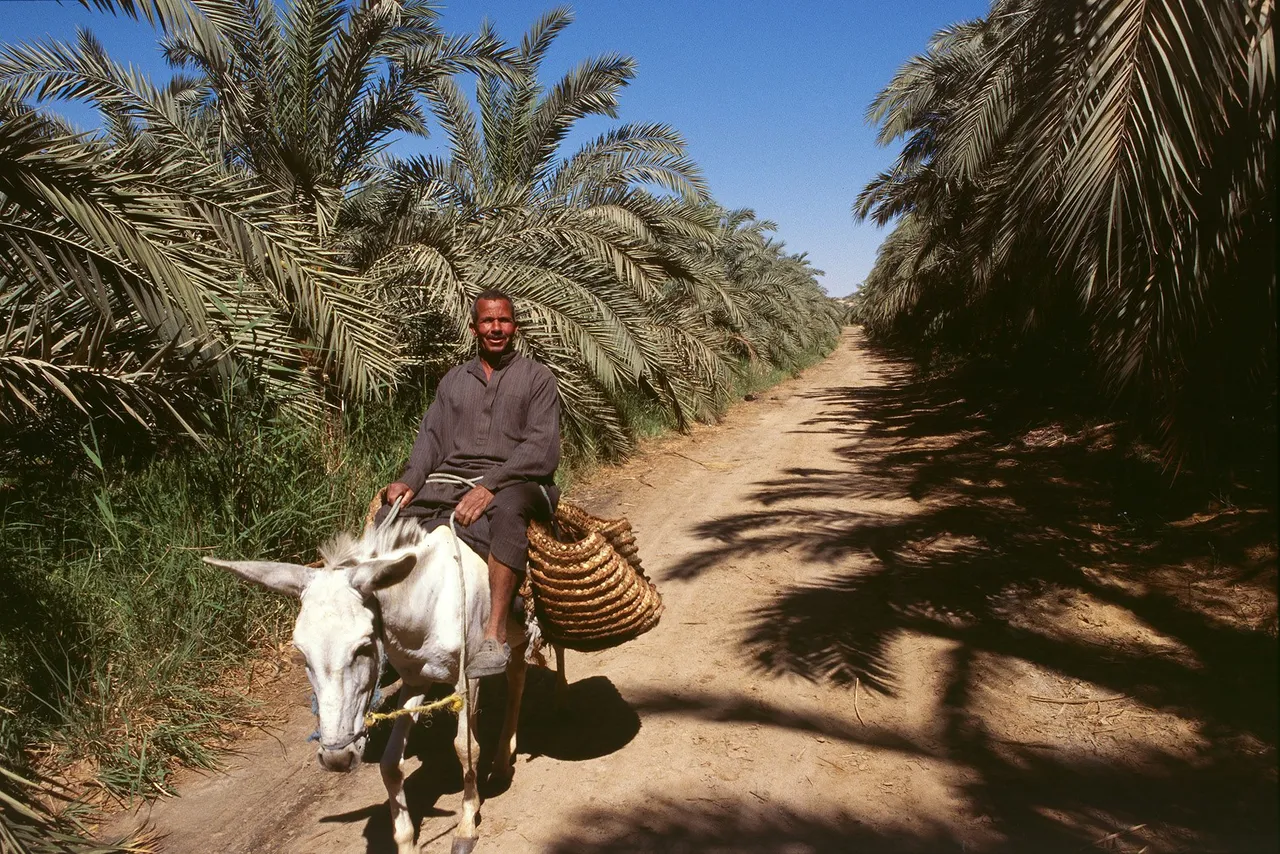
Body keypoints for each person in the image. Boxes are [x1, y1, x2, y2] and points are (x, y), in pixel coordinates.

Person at [379, 289, 560, 677]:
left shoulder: (537, 379)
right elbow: (431, 437)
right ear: (474, 327)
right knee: (386, 517)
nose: (496, 328)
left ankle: (494, 634)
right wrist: (410, 479)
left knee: (508, 511)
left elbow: (541, 447)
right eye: (488, 321)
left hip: (519, 481)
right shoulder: (453, 381)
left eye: (504, 320)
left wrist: (491, 484)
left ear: (515, 326)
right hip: (451, 481)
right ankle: (384, 634)